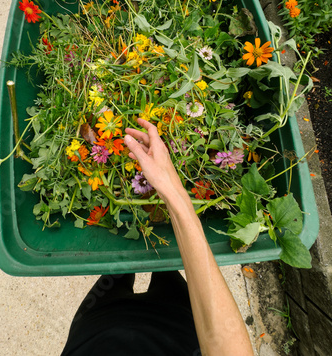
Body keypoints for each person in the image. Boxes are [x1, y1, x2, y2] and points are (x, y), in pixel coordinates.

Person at [61, 118, 254, 356]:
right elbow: (225, 345)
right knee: (166, 267)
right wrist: (169, 186)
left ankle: (131, 256)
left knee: (118, 266)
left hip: (99, 329)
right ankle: (159, 264)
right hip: (178, 327)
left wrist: (168, 186)